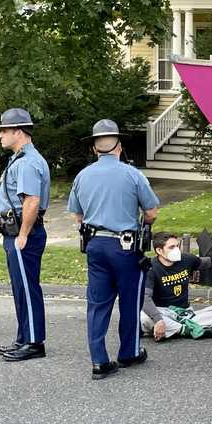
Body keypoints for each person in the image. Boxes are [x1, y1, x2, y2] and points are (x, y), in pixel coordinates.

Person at [68, 119, 160, 379]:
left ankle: (99, 361)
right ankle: (129, 352)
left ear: (94, 148)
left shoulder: (82, 176)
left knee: (97, 304)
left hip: (95, 245)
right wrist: (142, 222)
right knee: (130, 300)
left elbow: (77, 216)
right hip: (125, 246)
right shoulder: (132, 174)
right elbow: (152, 212)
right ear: (119, 146)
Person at [0, 108, 51, 361]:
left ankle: (34, 343)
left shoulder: (28, 162)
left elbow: (31, 201)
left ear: (18, 131)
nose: (0, 136)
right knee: (21, 288)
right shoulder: (20, 158)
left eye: (4, 130)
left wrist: (23, 235)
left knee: (27, 289)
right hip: (16, 231)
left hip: (23, 232)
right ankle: (23, 338)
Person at [140, 232, 212, 341]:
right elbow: (145, 297)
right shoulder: (151, 269)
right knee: (144, 317)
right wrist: (158, 320)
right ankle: (190, 329)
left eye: (177, 246)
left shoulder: (187, 259)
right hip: (163, 312)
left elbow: (206, 262)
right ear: (159, 251)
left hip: (185, 312)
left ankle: (174, 330)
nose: (176, 250)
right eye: (171, 247)